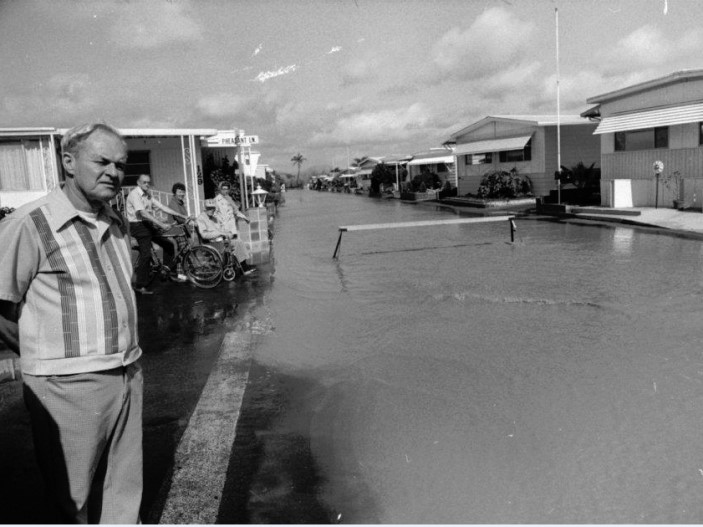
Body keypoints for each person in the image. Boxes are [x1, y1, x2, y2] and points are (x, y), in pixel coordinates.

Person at [0, 123, 143, 523]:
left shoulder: (115, 220)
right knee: (72, 500)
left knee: (122, 490)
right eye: (101, 161)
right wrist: (46, 359)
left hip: (127, 371)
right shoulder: (29, 224)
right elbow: (2, 308)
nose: (114, 172)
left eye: (120, 164)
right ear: (68, 161)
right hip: (67, 384)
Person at [126, 174, 189, 293]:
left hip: (147, 224)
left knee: (169, 245)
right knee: (146, 255)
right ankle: (140, 286)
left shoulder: (148, 195)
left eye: (148, 182)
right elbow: (143, 213)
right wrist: (161, 224)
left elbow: (163, 207)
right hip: (138, 226)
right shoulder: (135, 194)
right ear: (138, 183)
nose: (147, 184)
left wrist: (182, 216)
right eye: (144, 182)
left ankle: (166, 271)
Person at [196, 200, 255, 276]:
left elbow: (221, 229)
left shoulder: (214, 218)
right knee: (236, 243)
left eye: (212, 208)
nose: (211, 210)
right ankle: (242, 267)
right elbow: (204, 235)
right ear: (205, 208)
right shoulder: (201, 218)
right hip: (210, 243)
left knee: (238, 241)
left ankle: (242, 266)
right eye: (208, 208)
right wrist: (220, 233)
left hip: (218, 241)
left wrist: (227, 232)